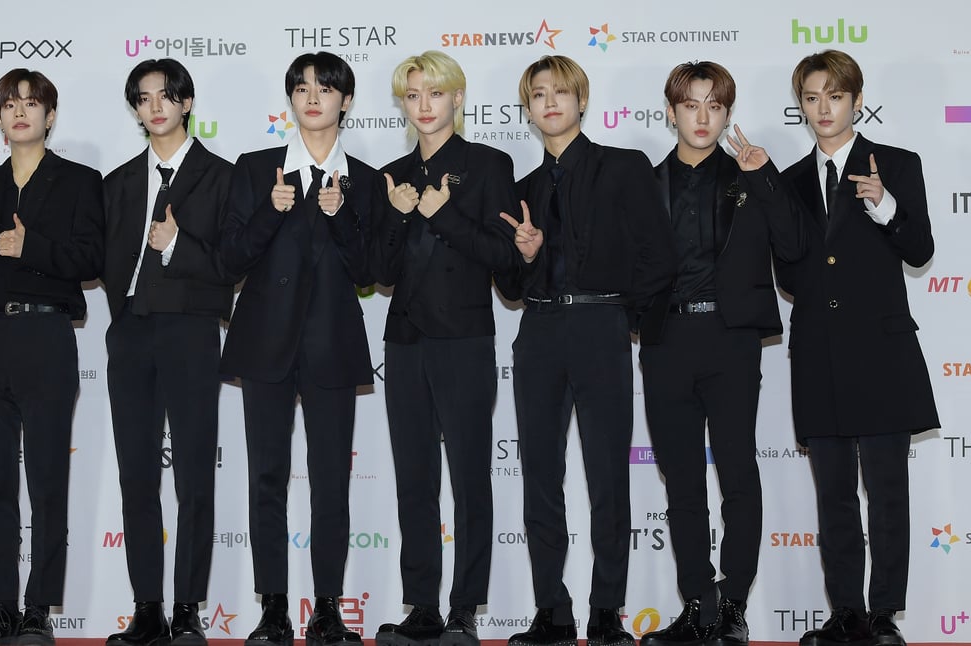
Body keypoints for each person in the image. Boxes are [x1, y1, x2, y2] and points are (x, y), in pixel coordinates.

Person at [494, 55, 676, 646]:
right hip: (540, 334)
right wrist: (524, 256)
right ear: (527, 109)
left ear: (581, 99)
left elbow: (658, 258)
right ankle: (552, 611)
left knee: (606, 477)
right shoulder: (520, 192)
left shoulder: (624, 168)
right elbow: (511, 288)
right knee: (540, 477)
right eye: (538, 94)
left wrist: (621, 315)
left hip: (600, 327)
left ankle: (606, 613)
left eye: (561, 92)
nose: (550, 102)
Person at [637, 61, 805, 646]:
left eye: (714, 105)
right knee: (681, 481)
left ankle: (733, 605)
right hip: (665, 343)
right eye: (691, 105)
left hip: (731, 341)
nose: (702, 117)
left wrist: (766, 178)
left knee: (737, 472)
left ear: (728, 112)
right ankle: (699, 606)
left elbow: (794, 247)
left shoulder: (750, 177)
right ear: (671, 112)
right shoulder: (645, 183)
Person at [775, 49, 938, 646]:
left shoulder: (896, 164)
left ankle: (883, 616)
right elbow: (790, 276)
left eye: (835, 97)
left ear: (856, 101)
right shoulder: (789, 182)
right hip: (818, 354)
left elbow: (919, 249)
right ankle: (844, 614)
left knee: (888, 492)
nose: (824, 108)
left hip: (881, 353)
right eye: (812, 98)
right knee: (834, 495)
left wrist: (884, 206)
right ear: (802, 105)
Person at [219, 51, 380, 646]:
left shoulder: (365, 177)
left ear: (345, 100)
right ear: (290, 99)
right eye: (302, 88)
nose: (313, 97)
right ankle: (275, 609)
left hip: (332, 348)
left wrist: (340, 218)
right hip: (265, 346)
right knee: (266, 477)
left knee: (332, 480)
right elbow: (228, 259)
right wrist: (270, 210)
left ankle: (330, 610)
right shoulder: (256, 167)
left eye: (326, 87)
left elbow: (372, 271)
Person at [0, 68, 105, 646]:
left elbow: (93, 258)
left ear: (50, 115)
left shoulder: (78, 180)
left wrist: (31, 247)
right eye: (10, 104)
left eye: (32, 102)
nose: (20, 111)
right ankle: (1, 605)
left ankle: (39, 608)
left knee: (46, 476)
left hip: (47, 338)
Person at [372, 50, 517, 646]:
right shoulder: (392, 172)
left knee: (469, 477)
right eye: (413, 95)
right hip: (404, 341)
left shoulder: (488, 165)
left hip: (463, 339)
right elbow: (375, 272)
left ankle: (464, 610)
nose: (424, 105)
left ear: (458, 98)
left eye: (435, 93)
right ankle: (423, 607)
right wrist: (403, 216)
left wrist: (444, 214)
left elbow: (508, 259)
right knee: (413, 479)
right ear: (403, 104)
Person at [99, 57, 236, 646]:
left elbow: (232, 263)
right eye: (144, 97)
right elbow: (104, 266)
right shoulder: (118, 183)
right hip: (131, 332)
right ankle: (147, 608)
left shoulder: (222, 177)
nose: (155, 106)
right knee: (136, 477)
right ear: (135, 109)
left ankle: (187, 611)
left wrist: (180, 244)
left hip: (191, 330)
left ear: (186, 103)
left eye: (166, 95)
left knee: (195, 476)